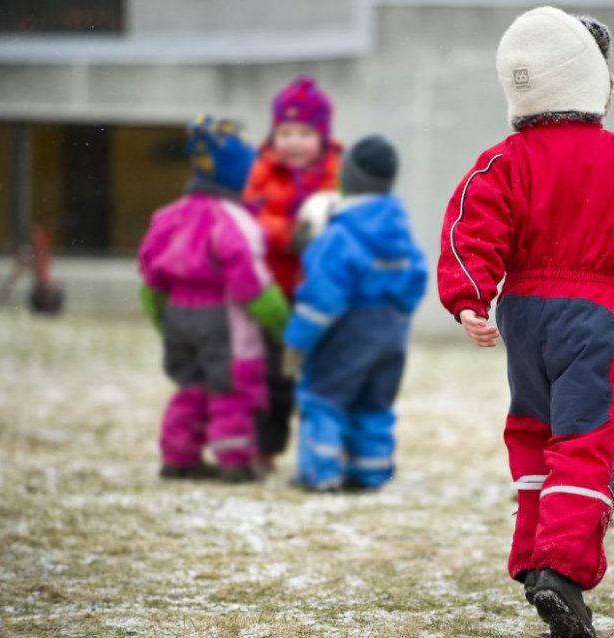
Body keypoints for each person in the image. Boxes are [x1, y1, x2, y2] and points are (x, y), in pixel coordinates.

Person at [436, 8, 614, 637]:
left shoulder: (502, 161)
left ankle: (533, 558)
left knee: (532, 430)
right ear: (593, 82)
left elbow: (472, 225)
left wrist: (470, 298)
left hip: (523, 315)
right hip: (597, 315)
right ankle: (563, 569)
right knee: (589, 441)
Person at [139, 116, 290, 484]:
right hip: (223, 317)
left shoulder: (168, 216)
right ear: (237, 176)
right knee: (231, 390)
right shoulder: (234, 220)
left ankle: (177, 457)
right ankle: (234, 461)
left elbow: (150, 279)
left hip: (177, 313)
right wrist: (281, 322)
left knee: (190, 386)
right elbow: (250, 284)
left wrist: (162, 318)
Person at [283, 135, 427, 492]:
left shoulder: (340, 234)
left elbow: (322, 299)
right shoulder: (400, 232)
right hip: (391, 331)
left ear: (348, 178)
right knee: (374, 404)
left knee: (324, 399)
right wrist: (395, 314)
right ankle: (371, 471)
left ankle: (322, 473)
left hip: (347, 332)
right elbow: (418, 275)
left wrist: (296, 345)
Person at [244, 76, 342, 471]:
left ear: (321, 136)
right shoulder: (261, 170)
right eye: (285, 131)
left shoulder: (338, 172)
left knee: (322, 378)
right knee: (270, 377)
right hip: (276, 295)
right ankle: (265, 448)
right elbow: (250, 219)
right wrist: (290, 232)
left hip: (323, 297)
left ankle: (323, 449)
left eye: (305, 132)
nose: (294, 141)